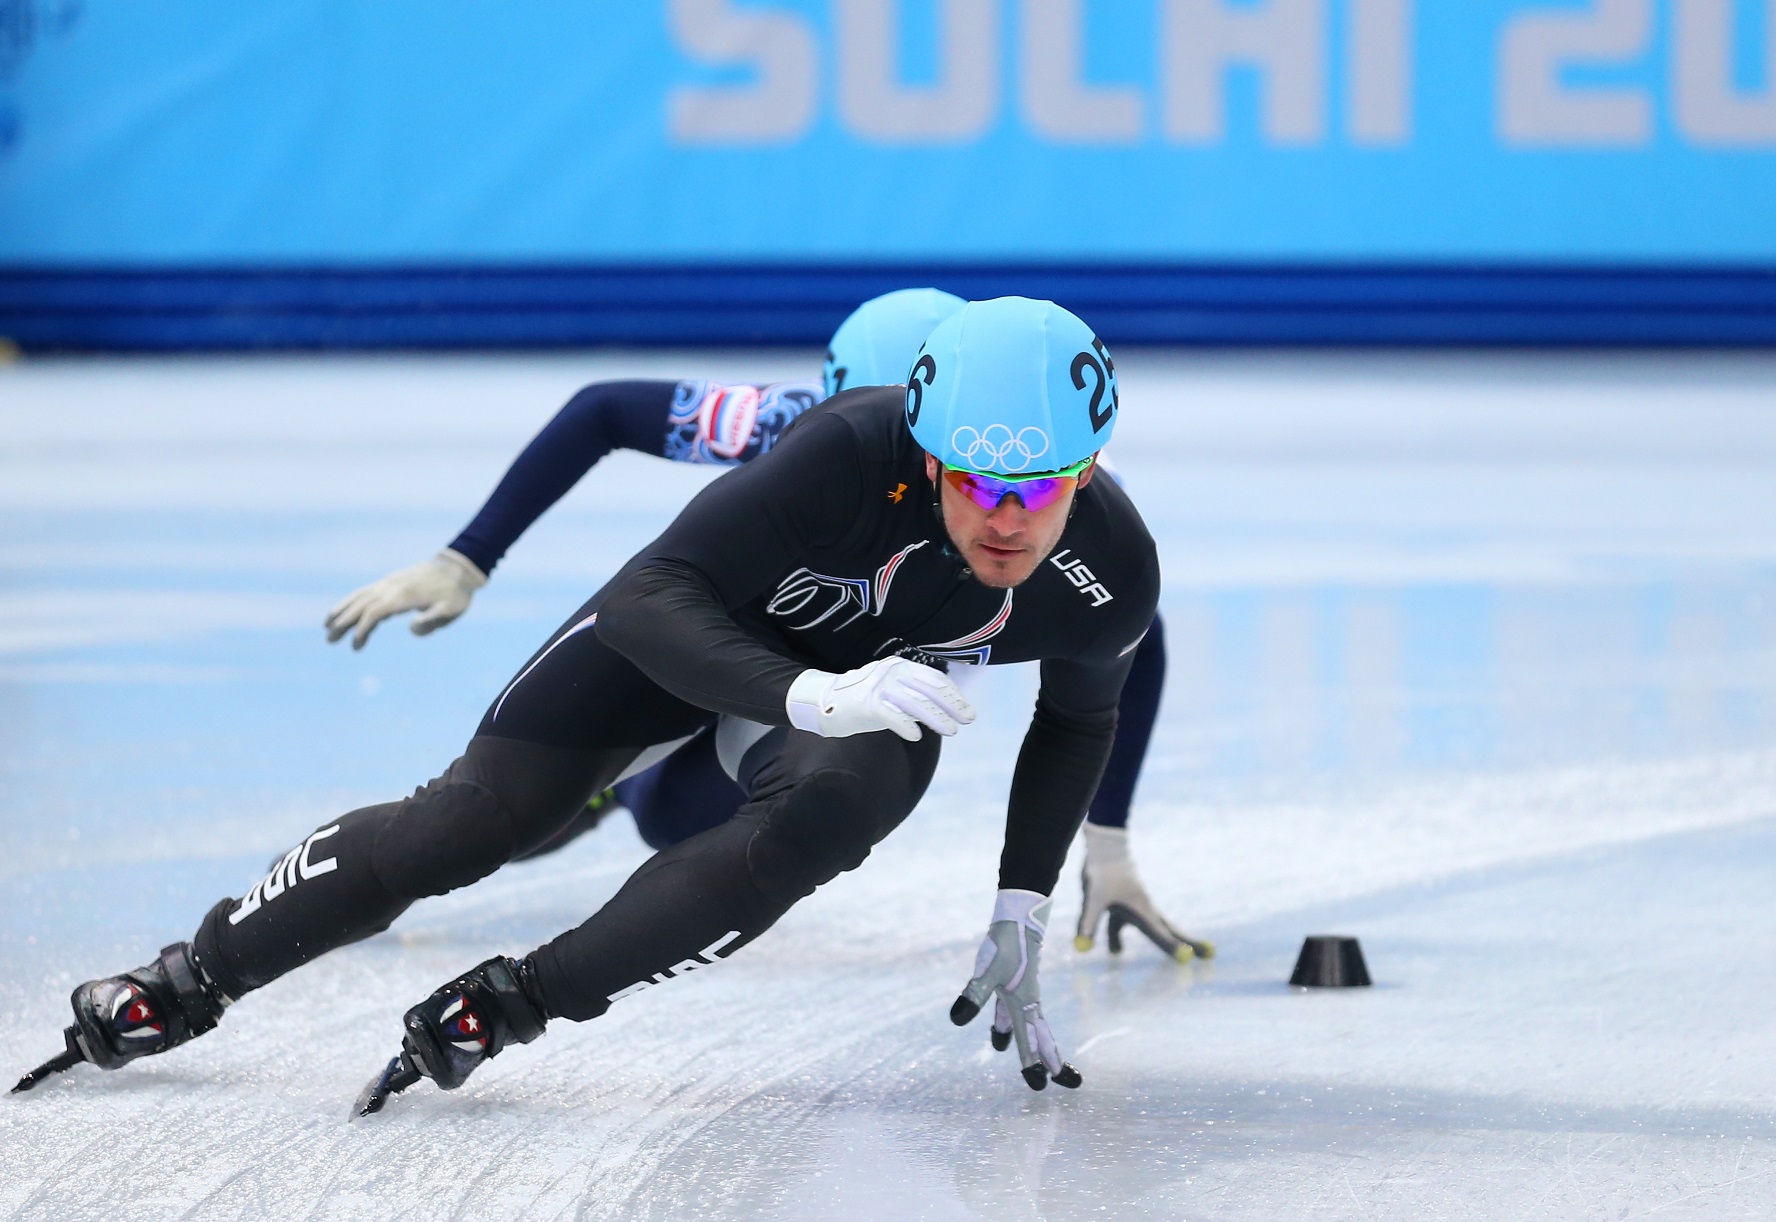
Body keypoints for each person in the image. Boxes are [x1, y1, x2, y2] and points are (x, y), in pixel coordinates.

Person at [14, 299, 1161, 1108]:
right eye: (974, 480)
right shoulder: (838, 446)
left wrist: (1029, 891)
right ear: (924, 444)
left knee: (810, 823)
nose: (1002, 518)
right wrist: (806, 687)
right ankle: (193, 975)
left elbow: (1087, 701)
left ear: (1092, 469)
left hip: (855, 701)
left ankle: (512, 1002)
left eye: (1038, 488)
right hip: (711, 643)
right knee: (469, 825)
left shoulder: (1111, 567)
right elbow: (649, 594)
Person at [320, 288, 1205, 962]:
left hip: (909, 645)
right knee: (539, 793)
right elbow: (605, 412)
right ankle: (605, 775)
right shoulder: (821, 436)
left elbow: (1124, 642)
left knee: (683, 820)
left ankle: (628, 786)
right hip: (773, 624)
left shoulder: (1043, 479)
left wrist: (1107, 841)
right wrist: (469, 556)